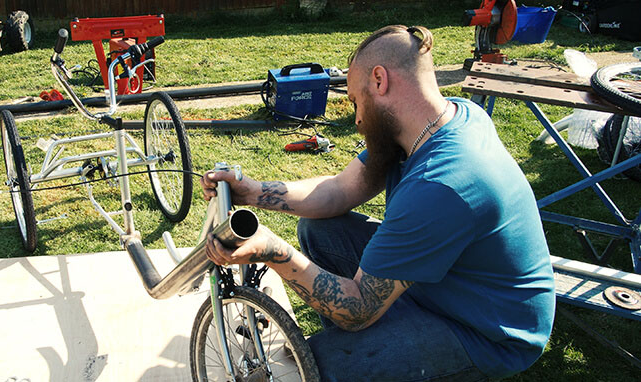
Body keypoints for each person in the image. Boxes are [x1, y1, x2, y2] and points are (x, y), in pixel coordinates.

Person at [202, 25, 555, 381]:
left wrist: (273, 250)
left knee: (319, 368)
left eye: (356, 101)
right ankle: (369, 345)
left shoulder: (442, 184)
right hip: (447, 287)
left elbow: (357, 307)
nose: (356, 119)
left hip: (487, 331)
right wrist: (253, 192)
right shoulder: (439, 119)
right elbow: (339, 190)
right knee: (320, 229)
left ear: (380, 81)